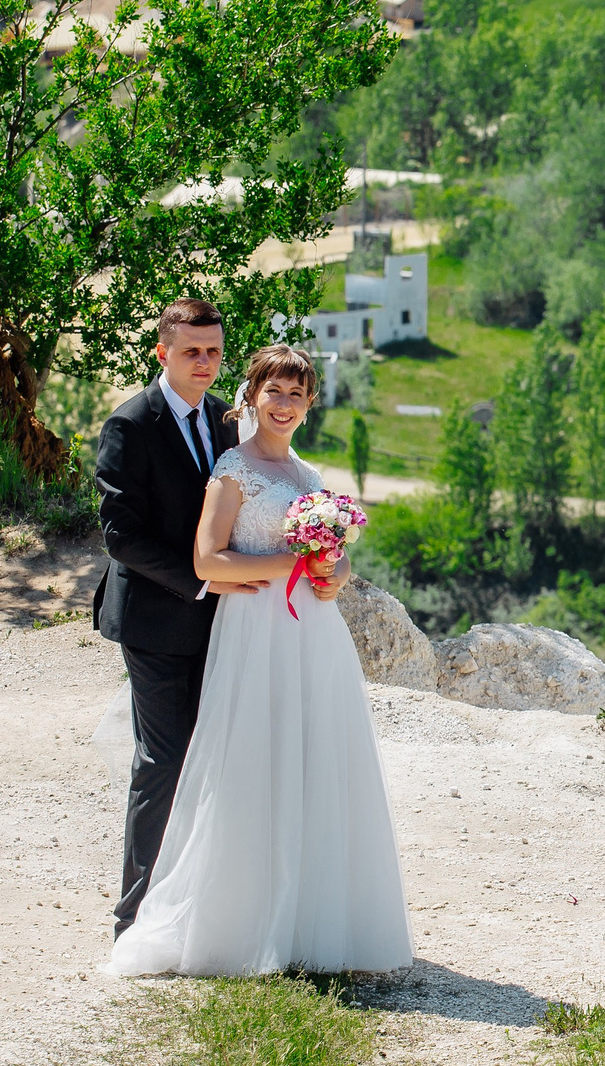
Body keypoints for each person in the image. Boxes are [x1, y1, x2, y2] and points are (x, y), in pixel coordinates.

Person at [110, 343, 412, 978]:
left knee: (312, 757)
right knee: (250, 757)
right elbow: (206, 561)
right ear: (252, 396)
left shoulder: (307, 476)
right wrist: (290, 566)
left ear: (309, 406)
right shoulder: (231, 470)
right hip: (253, 628)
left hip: (312, 635)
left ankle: (308, 916)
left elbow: (333, 557)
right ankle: (238, 920)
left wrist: (334, 572)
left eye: (297, 394)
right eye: (274, 391)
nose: (285, 404)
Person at [96, 300, 242, 938]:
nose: (205, 362)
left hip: (224, 625)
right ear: (162, 352)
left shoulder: (226, 419)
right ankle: (135, 916)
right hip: (157, 620)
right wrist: (204, 579)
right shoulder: (130, 425)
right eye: (191, 351)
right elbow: (120, 537)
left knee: (217, 756)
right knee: (163, 761)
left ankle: (200, 901)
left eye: (213, 350)